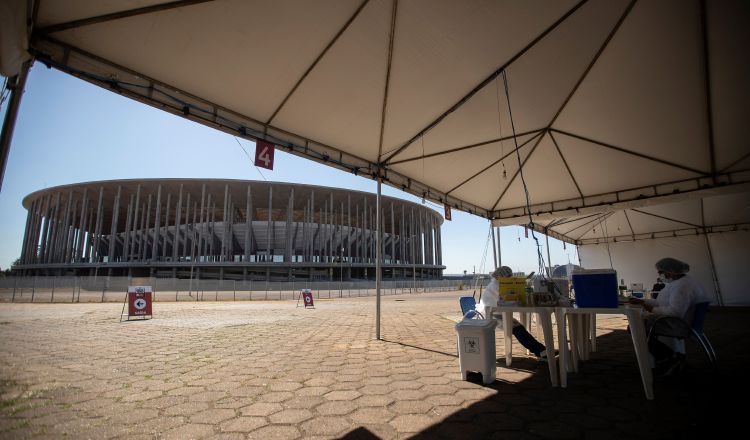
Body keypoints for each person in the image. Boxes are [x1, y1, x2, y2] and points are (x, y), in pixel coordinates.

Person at [628, 257, 712, 377]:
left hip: (679, 324)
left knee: (635, 328)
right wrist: (642, 301)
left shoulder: (683, 287)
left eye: (661, 272)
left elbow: (674, 312)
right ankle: (669, 357)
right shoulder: (681, 282)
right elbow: (661, 302)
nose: (660, 275)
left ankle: (668, 357)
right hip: (680, 321)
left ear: (670, 271)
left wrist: (651, 309)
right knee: (638, 326)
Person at [478, 266, 551, 361]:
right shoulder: (496, 286)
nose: (510, 278)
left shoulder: (496, 284)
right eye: (508, 276)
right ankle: (541, 351)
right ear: (502, 276)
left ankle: (541, 350)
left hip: (498, 314)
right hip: (491, 316)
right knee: (518, 329)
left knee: (519, 328)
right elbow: (504, 298)